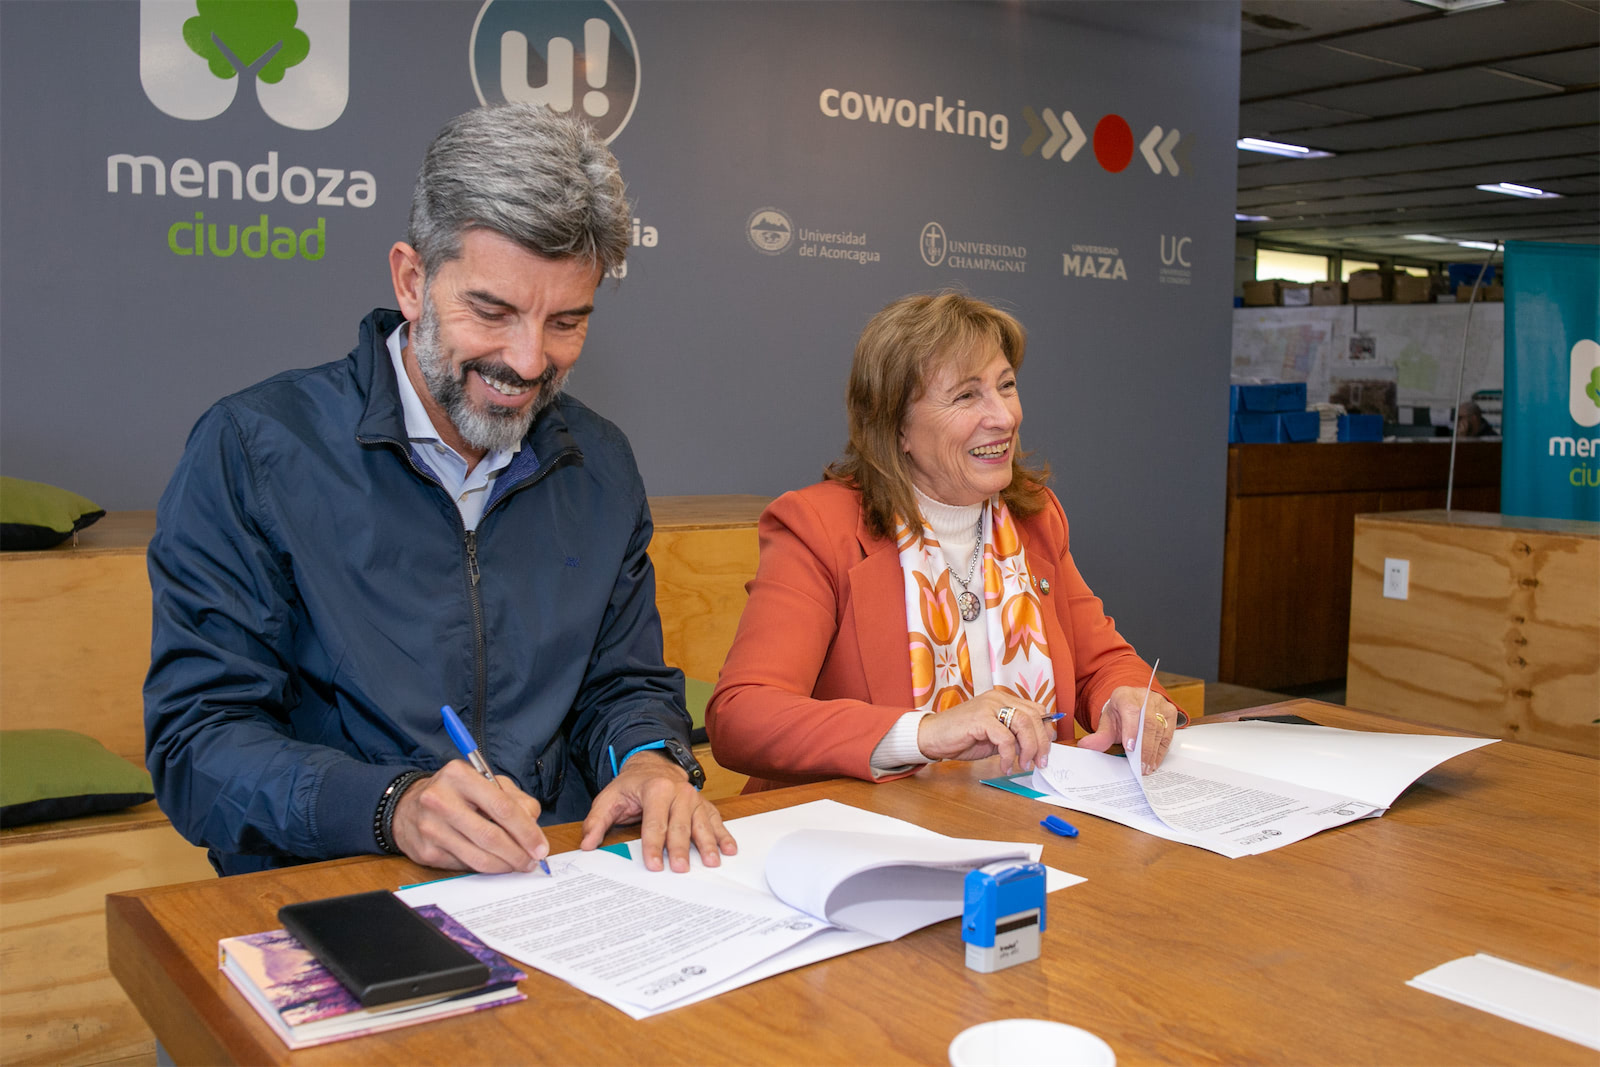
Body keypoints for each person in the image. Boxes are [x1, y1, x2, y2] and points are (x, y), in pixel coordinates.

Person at [145, 104, 734, 877]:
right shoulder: (254, 449)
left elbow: (622, 683)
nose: (528, 361)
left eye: (566, 322)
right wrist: (393, 805)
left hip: (550, 879)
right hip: (336, 883)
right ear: (412, 280)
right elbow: (198, 745)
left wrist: (650, 760)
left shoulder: (600, 462)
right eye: (492, 312)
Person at [706, 292, 1183, 792]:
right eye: (966, 396)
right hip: (864, 824)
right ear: (897, 428)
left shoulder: (1035, 516)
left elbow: (1102, 664)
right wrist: (927, 733)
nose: (1004, 417)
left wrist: (1126, 697)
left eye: (1006, 386)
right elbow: (742, 715)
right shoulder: (820, 528)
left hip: (1025, 820)